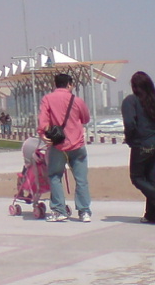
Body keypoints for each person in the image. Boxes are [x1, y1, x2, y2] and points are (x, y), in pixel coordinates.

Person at [121, 71, 155, 225]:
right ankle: (152, 214)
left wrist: (130, 139)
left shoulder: (130, 101)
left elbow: (130, 123)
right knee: (151, 178)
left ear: (134, 86)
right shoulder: (154, 101)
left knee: (137, 178)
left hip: (142, 144)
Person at [38, 73, 92, 223]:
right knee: (81, 179)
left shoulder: (47, 99)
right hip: (77, 144)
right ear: (69, 84)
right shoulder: (77, 100)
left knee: (55, 176)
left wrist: (43, 133)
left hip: (57, 144)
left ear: (55, 84)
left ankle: (59, 210)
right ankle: (84, 211)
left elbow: (43, 120)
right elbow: (86, 118)